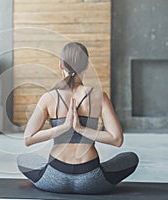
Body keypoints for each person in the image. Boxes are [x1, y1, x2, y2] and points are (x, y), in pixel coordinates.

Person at [17, 42, 139, 194]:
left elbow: (28, 139)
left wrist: (63, 127)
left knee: (22, 159)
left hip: (54, 178)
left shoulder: (48, 97)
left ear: (61, 65)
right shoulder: (99, 97)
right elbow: (117, 139)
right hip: (91, 180)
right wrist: (80, 129)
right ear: (87, 65)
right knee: (131, 158)